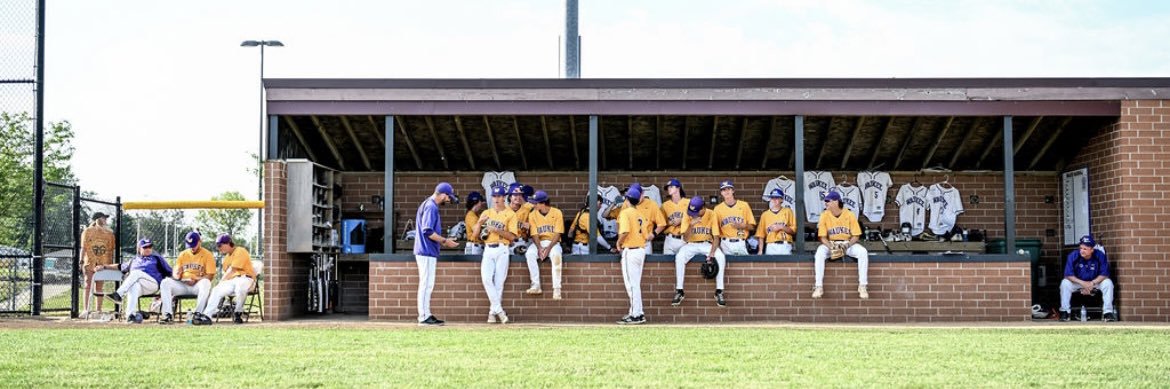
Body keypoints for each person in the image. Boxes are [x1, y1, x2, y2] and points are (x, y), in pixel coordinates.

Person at [413, 182, 460, 326]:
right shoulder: (431, 206)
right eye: (448, 196)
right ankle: (423, 317)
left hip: (427, 251)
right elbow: (427, 231)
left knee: (428, 284)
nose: (448, 199)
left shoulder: (429, 204)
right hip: (426, 250)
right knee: (426, 284)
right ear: (443, 194)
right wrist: (445, 241)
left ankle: (426, 314)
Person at [473, 186, 519, 324]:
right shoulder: (486, 212)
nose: (497, 199)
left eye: (499, 196)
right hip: (488, 249)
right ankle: (499, 311)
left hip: (502, 249)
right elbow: (475, 236)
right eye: (494, 196)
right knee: (486, 279)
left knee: (499, 283)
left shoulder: (510, 214)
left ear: (504, 197)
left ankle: (492, 314)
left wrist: (497, 230)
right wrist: (480, 222)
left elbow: (512, 237)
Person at [812, 191, 870, 299]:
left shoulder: (849, 214)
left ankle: (862, 285)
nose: (826, 203)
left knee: (863, 252)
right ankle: (818, 286)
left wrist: (846, 246)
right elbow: (822, 237)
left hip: (847, 244)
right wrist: (832, 247)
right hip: (831, 244)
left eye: (827, 201)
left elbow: (856, 235)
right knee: (820, 252)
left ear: (836, 201)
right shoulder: (824, 215)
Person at [672, 196, 727, 307]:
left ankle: (719, 291)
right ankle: (679, 290)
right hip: (691, 244)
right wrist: (691, 225)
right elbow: (685, 239)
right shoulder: (688, 214)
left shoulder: (711, 214)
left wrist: (711, 254)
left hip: (707, 244)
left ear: (703, 208)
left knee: (720, 256)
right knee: (679, 257)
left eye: (696, 211)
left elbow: (716, 237)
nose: (693, 214)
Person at [100, 238, 172, 323]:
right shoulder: (134, 260)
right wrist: (104, 266)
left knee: (136, 273)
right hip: (140, 287)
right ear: (139, 249)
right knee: (133, 286)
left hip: (153, 284)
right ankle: (130, 316)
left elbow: (170, 271)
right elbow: (120, 266)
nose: (148, 249)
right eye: (145, 247)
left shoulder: (156, 258)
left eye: (150, 246)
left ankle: (118, 294)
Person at [157, 231, 216, 324]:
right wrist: (177, 275)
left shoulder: (207, 255)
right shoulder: (183, 254)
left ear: (200, 241)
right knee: (165, 282)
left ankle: (198, 314)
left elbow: (210, 276)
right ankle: (168, 314)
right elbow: (175, 273)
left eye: (194, 244)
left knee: (206, 283)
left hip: (197, 285)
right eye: (190, 245)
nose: (192, 247)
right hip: (183, 285)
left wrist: (196, 279)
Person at [200, 234, 258, 325]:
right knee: (216, 290)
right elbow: (229, 274)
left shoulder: (240, 251)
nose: (218, 248)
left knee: (240, 287)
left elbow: (232, 270)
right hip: (233, 281)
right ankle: (207, 316)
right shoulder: (226, 258)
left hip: (247, 279)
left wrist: (221, 282)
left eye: (220, 245)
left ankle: (238, 313)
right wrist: (221, 285)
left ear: (228, 243)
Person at [1059, 235, 1116, 322]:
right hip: (1078, 282)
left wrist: (1092, 283)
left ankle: (1108, 313)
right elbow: (1068, 275)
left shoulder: (1099, 255)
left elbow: (1104, 274)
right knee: (1065, 283)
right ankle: (1065, 312)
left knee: (1108, 283)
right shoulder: (1073, 255)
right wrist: (1083, 284)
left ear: (1092, 250)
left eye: (1085, 249)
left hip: (1095, 282)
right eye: (1081, 248)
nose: (1082, 251)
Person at [616, 184, 650, 325]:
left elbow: (624, 231)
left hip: (631, 250)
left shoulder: (626, 213)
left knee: (632, 284)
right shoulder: (640, 214)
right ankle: (636, 312)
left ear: (627, 198)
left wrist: (618, 243)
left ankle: (637, 314)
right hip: (641, 249)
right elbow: (646, 235)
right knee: (634, 284)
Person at [523, 190, 565, 299]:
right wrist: (540, 248)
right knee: (530, 254)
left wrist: (549, 248)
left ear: (543, 203)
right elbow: (534, 234)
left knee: (556, 256)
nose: (534, 205)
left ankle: (557, 289)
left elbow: (558, 233)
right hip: (539, 242)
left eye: (536, 203)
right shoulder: (532, 214)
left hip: (553, 243)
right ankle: (536, 284)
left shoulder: (557, 212)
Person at [608, 183, 666, 254]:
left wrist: (653, 234)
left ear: (642, 194)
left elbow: (662, 224)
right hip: (629, 243)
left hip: (645, 242)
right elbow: (619, 223)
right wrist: (621, 241)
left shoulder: (651, 204)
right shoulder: (627, 203)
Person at [80, 212, 115, 316]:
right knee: (87, 285)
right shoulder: (87, 231)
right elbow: (83, 248)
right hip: (90, 261)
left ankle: (98, 310)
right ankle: (86, 309)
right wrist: (81, 261)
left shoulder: (109, 234)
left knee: (99, 287)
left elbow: (111, 250)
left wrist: (110, 264)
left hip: (102, 263)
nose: (105, 220)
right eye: (103, 217)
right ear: (97, 219)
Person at [713, 180, 756, 256]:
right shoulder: (717, 209)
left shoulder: (744, 205)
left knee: (743, 266)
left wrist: (744, 226)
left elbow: (752, 227)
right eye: (723, 190)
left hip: (741, 241)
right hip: (725, 243)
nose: (726, 192)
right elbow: (715, 231)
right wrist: (717, 246)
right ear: (721, 193)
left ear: (733, 190)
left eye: (728, 189)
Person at [756, 188, 797, 255]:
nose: (774, 200)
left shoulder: (788, 211)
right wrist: (760, 250)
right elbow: (761, 235)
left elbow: (793, 231)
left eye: (777, 198)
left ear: (782, 199)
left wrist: (781, 227)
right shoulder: (765, 215)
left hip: (785, 244)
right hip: (771, 245)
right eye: (772, 198)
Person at [661, 179, 689, 255]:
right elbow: (661, 224)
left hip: (684, 238)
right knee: (667, 264)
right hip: (670, 238)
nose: (669, 189)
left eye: (671, 187)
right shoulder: (665, 205)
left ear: (678, 188)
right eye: (668, 188)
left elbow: (696, 218)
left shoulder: (688, 202)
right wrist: (669, 222)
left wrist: (682, 220)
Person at [507, 183, 534, 255]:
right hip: (508, 243)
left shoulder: (528, 208)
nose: (518, 197)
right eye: (515, 195)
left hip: (524, 241)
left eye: (520, 194)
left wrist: (530, 227)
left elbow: (539, 214)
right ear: (510, 197)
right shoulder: (503, 210)